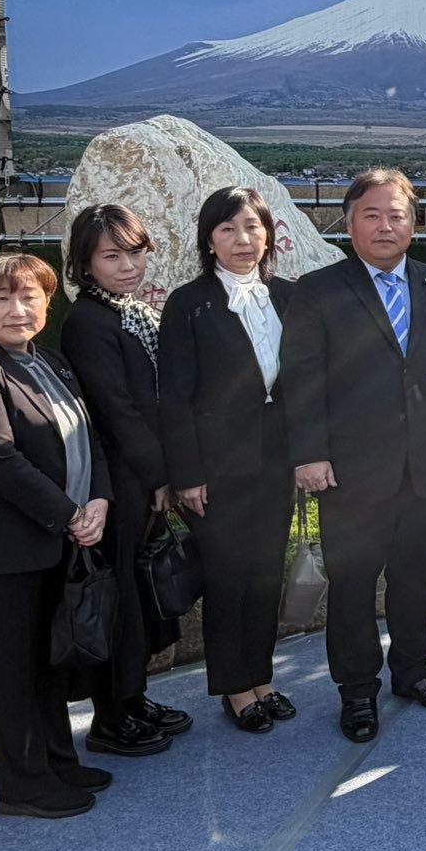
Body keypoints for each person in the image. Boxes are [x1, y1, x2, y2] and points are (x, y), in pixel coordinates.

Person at [283, 169, 426, 743]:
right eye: (371, 214)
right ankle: (356, 690)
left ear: (414, 226)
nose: (385, 225)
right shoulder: (318, 291)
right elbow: (301, 381)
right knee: (352, 583)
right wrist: (310, 454)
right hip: (349, 469)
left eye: (397, 214)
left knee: (416, 577)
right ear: (348, 225)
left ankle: (414, 671)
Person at [0, 253, 113, 819]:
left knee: (46, 663)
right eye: (1, 299)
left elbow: (90, 438)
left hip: (53, 538)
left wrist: (100, 500)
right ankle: (23, 784)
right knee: (8, 671)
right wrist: (68, 512)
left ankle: (57, 761)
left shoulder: (52, 361)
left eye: (30, 296)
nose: (18, 310)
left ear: (47, 301)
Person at [158, 187, 298, 735]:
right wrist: (186, 474)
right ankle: (235, 686)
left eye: (253, 227)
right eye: (227, 229)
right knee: (227, 575)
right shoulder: (188, 303)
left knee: (266, 572)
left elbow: (303, 383)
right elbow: (175, 396)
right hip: (215, 468)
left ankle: (261, 676)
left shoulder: (288, 295)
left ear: (269, 234)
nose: (243, 240)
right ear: (208, 239)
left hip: (276, 459)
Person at [59, 204, 190, 756]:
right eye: (112, 256)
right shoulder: (89, 321)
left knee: (136, 592)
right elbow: (117, 411)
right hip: (118, 479)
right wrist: (160, 476)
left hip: (140, 473)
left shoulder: (131, 312)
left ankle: (133, 701)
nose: (128, 265)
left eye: (135, 252)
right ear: (86, 265)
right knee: (119, 598)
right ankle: (111, 718)